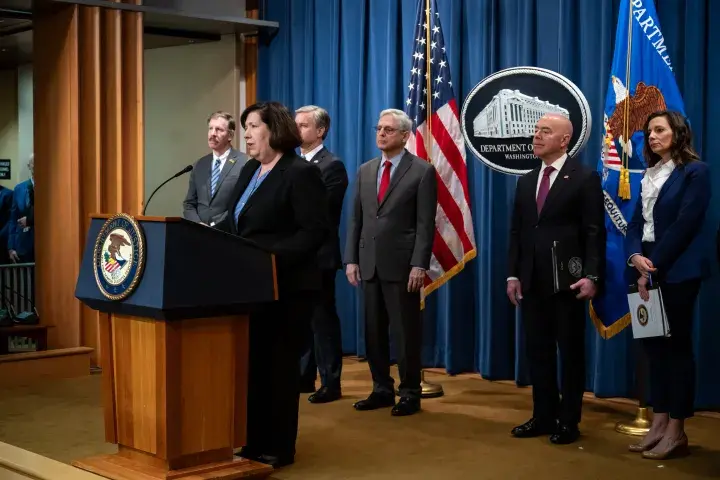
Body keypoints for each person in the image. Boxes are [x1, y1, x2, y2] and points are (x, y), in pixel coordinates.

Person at [215, 101, 328, 468]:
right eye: (245, 127)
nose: (245, 134)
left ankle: (279, 446)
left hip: (288, 287)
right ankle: (252, 441)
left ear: (273, 129)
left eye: (251, 126)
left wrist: (264, 255)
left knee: (278, 368)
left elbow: (313, 232)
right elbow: (236, 223)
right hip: (250, 287)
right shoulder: (251, 170)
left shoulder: (299, 172)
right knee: (253, 366)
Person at [506, 113, 605, 444]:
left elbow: (594, 232)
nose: (536, 136)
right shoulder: (525, 180)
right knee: (538, 352)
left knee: (571, 353)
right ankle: (543, 415)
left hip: (568, 281)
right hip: (532, 280)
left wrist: (592, 275)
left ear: (565, 140)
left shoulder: (585, 177)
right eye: (535, 130)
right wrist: (513, 274)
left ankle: (569, 421)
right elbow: (517, 232)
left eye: (544, 131)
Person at [625, 110, 712, 460]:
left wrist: (652, 266)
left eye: (660, 130)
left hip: (675, 271)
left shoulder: (695, 172)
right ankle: (658, 423)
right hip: (645, 267)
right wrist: (634, 258)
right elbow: (634, 225)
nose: (652, 136)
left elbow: (685, 224)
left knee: (676, 352)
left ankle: (677, 430)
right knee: (653, 350)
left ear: (678, 133)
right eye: (649, 132)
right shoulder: (649, 174)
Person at [344, 108, 437, 417]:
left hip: (402, 266)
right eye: (378, 129)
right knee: (373, 331)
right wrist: (351, 259)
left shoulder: (422, 171)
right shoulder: (366, 170)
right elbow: (356, 219)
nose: (381, 134)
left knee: (404, 332)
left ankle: (409, 392)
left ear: (404, 135)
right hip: (368, 263)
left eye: (388, 130)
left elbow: (425, 224)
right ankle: (381, 388)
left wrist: (419, 264)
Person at [294, 105, 349, 402]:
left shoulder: (332, 166)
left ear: (320, 130)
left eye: (303, 125)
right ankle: (304, 377)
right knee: (300, 319)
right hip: (295, 256)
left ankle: (331, 382)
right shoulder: (290, 162)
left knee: (322, 320)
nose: (297, 130)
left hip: (319, 256)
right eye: (296, 124)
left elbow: (323, 213)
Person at [183, 111, 247, 226]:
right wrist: (198, 224)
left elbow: (242, 203)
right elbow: (189, 204)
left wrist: (216, 225)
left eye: (219, 130)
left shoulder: (243, 162)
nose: (213, 133)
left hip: (227, 233)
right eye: (210, 128)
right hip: (198, 233)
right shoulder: (199, 164)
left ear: (230, 136)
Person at [9, 154, 35, 263]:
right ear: (29, 166)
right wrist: (11, 247)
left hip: (44, 245)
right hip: (22, 244)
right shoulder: (19, 188)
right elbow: (13, 219)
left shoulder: (51, 187)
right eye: (34, 162)